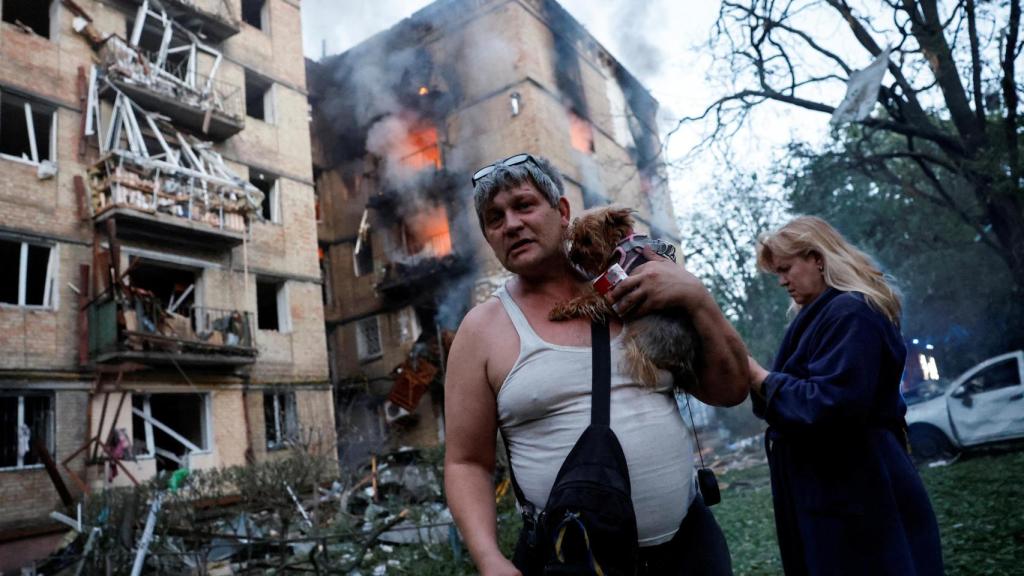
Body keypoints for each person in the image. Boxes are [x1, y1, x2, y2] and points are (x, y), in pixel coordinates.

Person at [444, 153, 748, 576]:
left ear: (562, 212)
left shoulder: (638, 286)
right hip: (574, 560)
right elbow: (465, 462)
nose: (511, 223)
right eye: (495, 218)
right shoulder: (480, 331)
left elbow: (729, 390)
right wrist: (490, 559)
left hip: (690, 550)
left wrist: (699, 300)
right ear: (489, 237)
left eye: (524, 205)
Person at [747, 216, 944, 575]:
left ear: (817, 258)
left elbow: (833, 404)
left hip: (860, 486)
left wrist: (759, 377)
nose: (782, 281)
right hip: (836, 487)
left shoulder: (851, 312)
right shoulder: (822, 315)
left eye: (786, 268)